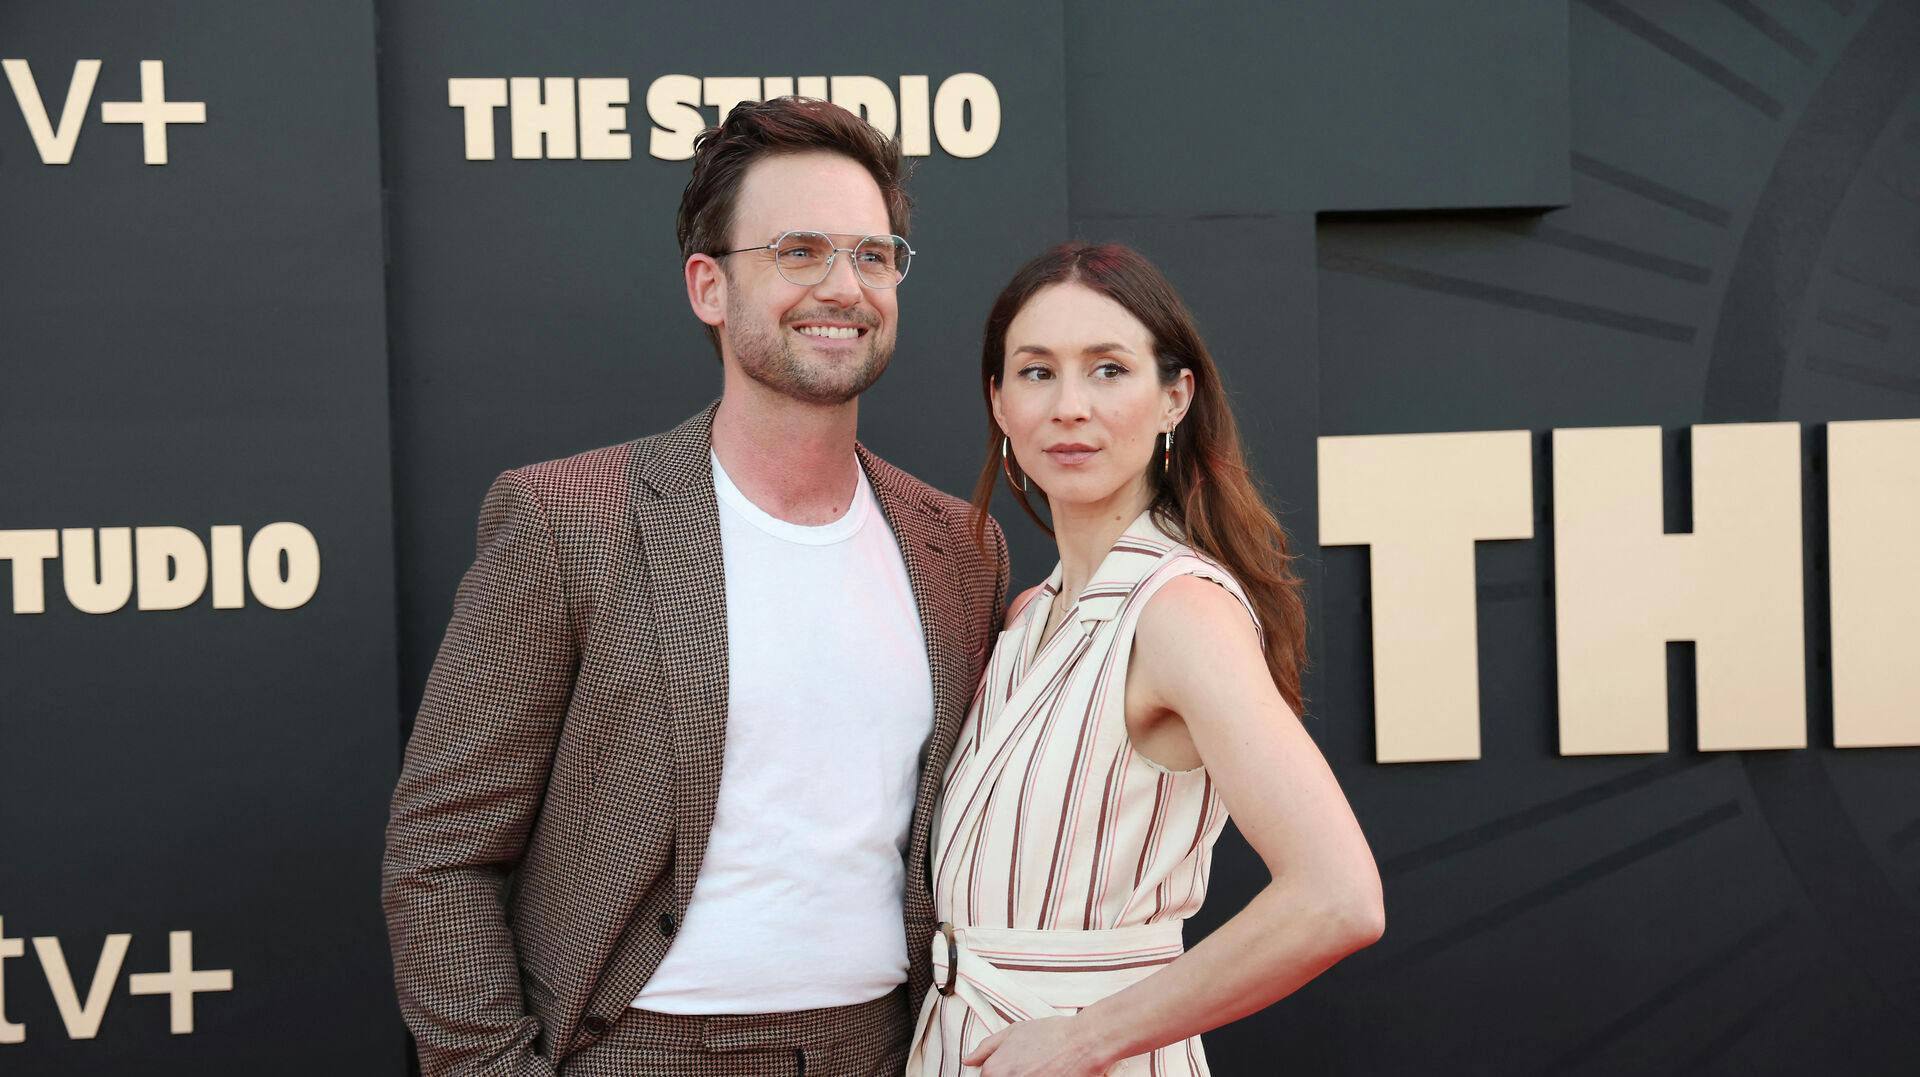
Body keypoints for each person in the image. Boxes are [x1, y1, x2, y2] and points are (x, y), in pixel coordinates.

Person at [381, 97, 1009, 1077]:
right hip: (634, 1050)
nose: (845, 286)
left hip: (890, 1048)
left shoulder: (958, 551)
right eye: (799, 250)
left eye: (874, 255)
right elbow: (440, 856)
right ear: (708, 287)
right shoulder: (566, 522)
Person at [907, 244, 1384, 1076]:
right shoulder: (1026, 616)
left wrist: (1087, 1037)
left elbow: (1337, 896)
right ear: (999, 401)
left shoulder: (1179, 611)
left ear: (1175, 397)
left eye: (1108, 369)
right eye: (1036, 372)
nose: (1070, 407)